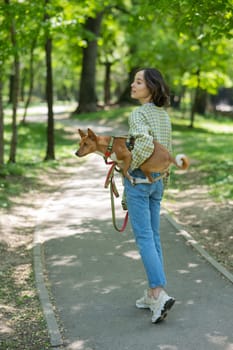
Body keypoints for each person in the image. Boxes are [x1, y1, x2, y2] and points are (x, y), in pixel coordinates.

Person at [124, 67, 175, 324]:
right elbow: (168, 150)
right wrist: (165, 177)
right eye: (134, 81)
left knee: (144, 237)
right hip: (158, 182)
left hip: (140, 181)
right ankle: (152, 292)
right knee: (153, 236)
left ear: (151, 88)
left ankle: (157, 293)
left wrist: (129, 167)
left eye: (139, 81)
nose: (133, 85)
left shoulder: (138, 114)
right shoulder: (164, 116)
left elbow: (143, 144)